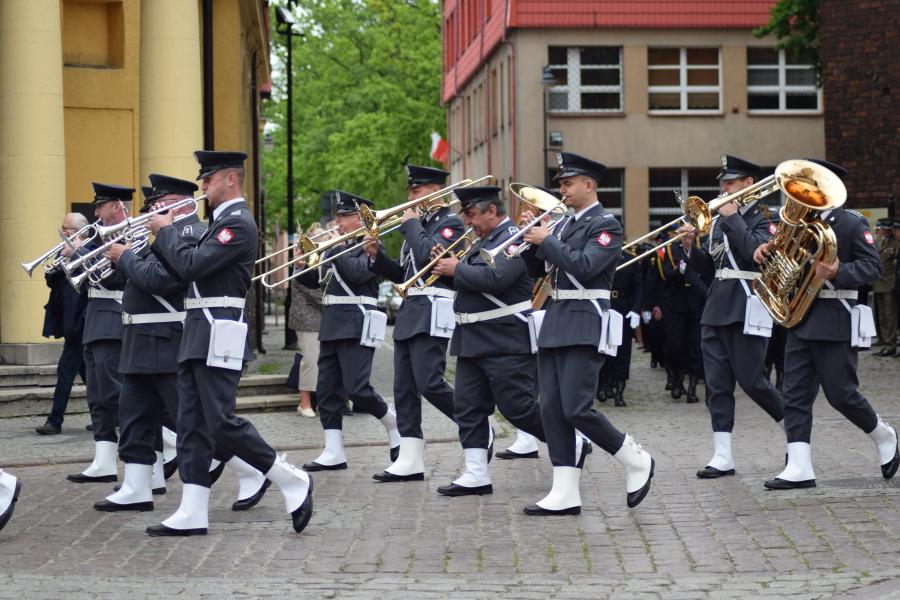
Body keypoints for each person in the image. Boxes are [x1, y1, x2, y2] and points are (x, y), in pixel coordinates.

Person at [144, 150, 312, 536]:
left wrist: (165, 231)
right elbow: (182, 269)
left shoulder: (236, 224)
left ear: (230, 179)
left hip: (219, 329)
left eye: (209, 179)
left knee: (220, 420)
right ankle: (192, 509)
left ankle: (289, 478)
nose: (203, 186)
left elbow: (190, 266)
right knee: (191, 426)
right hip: (199, 329)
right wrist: (162, 238)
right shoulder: (216, 222)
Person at [520, 152, 655, 515]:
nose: (561, 190)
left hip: (585, 318)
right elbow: (540, 270)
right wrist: (529, 239)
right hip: (556, 317)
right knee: (551, 408)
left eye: (568, 183)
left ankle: (635, 458)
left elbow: (586, 265)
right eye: (560, 183)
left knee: (577, 407)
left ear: (589, 185)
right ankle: (565, 491)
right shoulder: (562, 226)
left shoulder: (606, 224)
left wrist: (546, 240)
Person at [758, 159, 898, 488]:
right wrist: (767, 254)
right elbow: (785, 265)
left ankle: (884, 435)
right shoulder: (795, 224)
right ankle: (800, 466)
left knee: (841, 395)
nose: (805, 195)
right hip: (799, 318)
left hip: (835, 318)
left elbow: (872, 267)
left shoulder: (849, 223)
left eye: (812, 187)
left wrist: (839, 272)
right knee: (793, 395)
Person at [429, 186, 547, 496]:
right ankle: (476, 473)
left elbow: (496, 279)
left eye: (471, 215)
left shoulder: (515, 237)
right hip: (472, 338)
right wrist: (445, 269)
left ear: (491, 211)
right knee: (467, 407)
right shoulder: (481, 242)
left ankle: (570, 438)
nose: (467, 222)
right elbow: (469, 283)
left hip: (504, 337)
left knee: (518, 408)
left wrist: (457, 268)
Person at [687, 155, 784, 480]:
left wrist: (732, 218)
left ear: (748, 185)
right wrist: (690, 247)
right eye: (723, 182)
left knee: (753, 381)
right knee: (717, 386)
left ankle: (795, 432)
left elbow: (757, 252)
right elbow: (711, 267)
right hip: (716, 308)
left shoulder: (763, 219)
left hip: (747, 304)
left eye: (731, 182)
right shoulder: (717, 222)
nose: (724, 187)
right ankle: (722, 455)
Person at [364, 165, 463, 482]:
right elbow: (405, 273)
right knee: (403, 388)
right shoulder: (419, 226)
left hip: (434, 308)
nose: (409, 198)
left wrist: (410, 226)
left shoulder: (450, 225)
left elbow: (431, 259)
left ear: (434, 192)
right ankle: (410, 456)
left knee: (429, 381)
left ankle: (474, 422)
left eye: (415, 192)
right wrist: (377, 257)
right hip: (411, 309)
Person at [293, 190, 400, 471]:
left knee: (357, 388)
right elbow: (317, 281)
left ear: (360, 218)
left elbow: (358, 274)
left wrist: (334, 247)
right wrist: (302, 263)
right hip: (331, 321)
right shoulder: (335, 247)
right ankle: (333, 450)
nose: (337, 222)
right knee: (327, 391)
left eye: (344, 217)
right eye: (338, 217)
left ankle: (393, 423)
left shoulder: (372, 243)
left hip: (356, 319)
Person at [66, 183, 132, 484]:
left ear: (116, 206)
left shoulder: (128, 235)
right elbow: (84, 282)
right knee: (97, 396)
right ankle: (104, 460)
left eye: (101, 205)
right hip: (93, 319)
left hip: (113, 319)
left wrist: (81, 252)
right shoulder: (98, 237)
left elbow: (117, 279)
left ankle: (159, 448)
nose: (95, 211)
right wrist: (71, 258)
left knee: (113, 393)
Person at [36, 213, 90, 435]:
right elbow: (52, 282)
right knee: (88, 372)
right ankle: (111, 415)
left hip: (83, 319)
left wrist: (76, 254)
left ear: (80, 230)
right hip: (67, 319)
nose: (63, 231)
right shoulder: (64, 250)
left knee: (65, 371)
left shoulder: (93, 248)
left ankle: (55, 421)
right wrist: (60, 262)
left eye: (67, 228)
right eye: (63, 227)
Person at [658, 225, 707, 404]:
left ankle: (692, 389)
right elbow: (665, 275)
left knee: (694, 347)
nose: (686, 237)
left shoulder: (701, 247)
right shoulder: (669, 249)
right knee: (676, 345)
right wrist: (679, 271)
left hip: (696, 303)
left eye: (690, 234)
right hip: (676, 304)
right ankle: (677, 380)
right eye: (683, 234)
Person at [597, 242, 642, 407]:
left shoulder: (630, 258)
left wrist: (636, 309)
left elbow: (638, 286)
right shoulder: (599, 256)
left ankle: (619, 391)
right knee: (602, 349)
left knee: (622, 351)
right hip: (602, 306)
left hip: (623, 307)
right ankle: (602, 386)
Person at [289, 225, 325, 418]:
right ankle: (304, 402)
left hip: (320, 317)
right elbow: (313, 294)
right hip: (307, 318)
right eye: (316, 239)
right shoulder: (302, 263)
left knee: (320, 360)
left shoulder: (323, 261)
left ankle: (318, 400)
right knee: (310, 359)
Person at [873, 218, 898, 356]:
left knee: (890, 316)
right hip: (878, 284)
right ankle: (883, 340)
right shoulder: (878, 241)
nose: (883, 231)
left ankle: (891, 344)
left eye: (885, 229)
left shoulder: (895, 243)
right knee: (881, 315)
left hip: (889, 284)